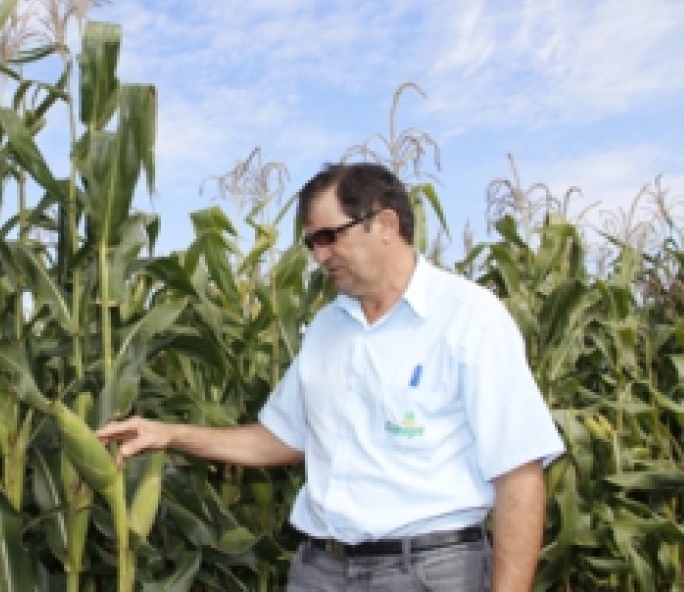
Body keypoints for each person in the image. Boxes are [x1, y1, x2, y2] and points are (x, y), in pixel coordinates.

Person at [97, 161, 564, 591]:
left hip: (427, 571)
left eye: (329, 237)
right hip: (321, 570)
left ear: (384, 225)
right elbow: (280, 437)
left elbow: (519, 473)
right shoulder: (327, 327)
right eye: (311, 242)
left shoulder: (468, 318)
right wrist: (169, 434)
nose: (319, 256)